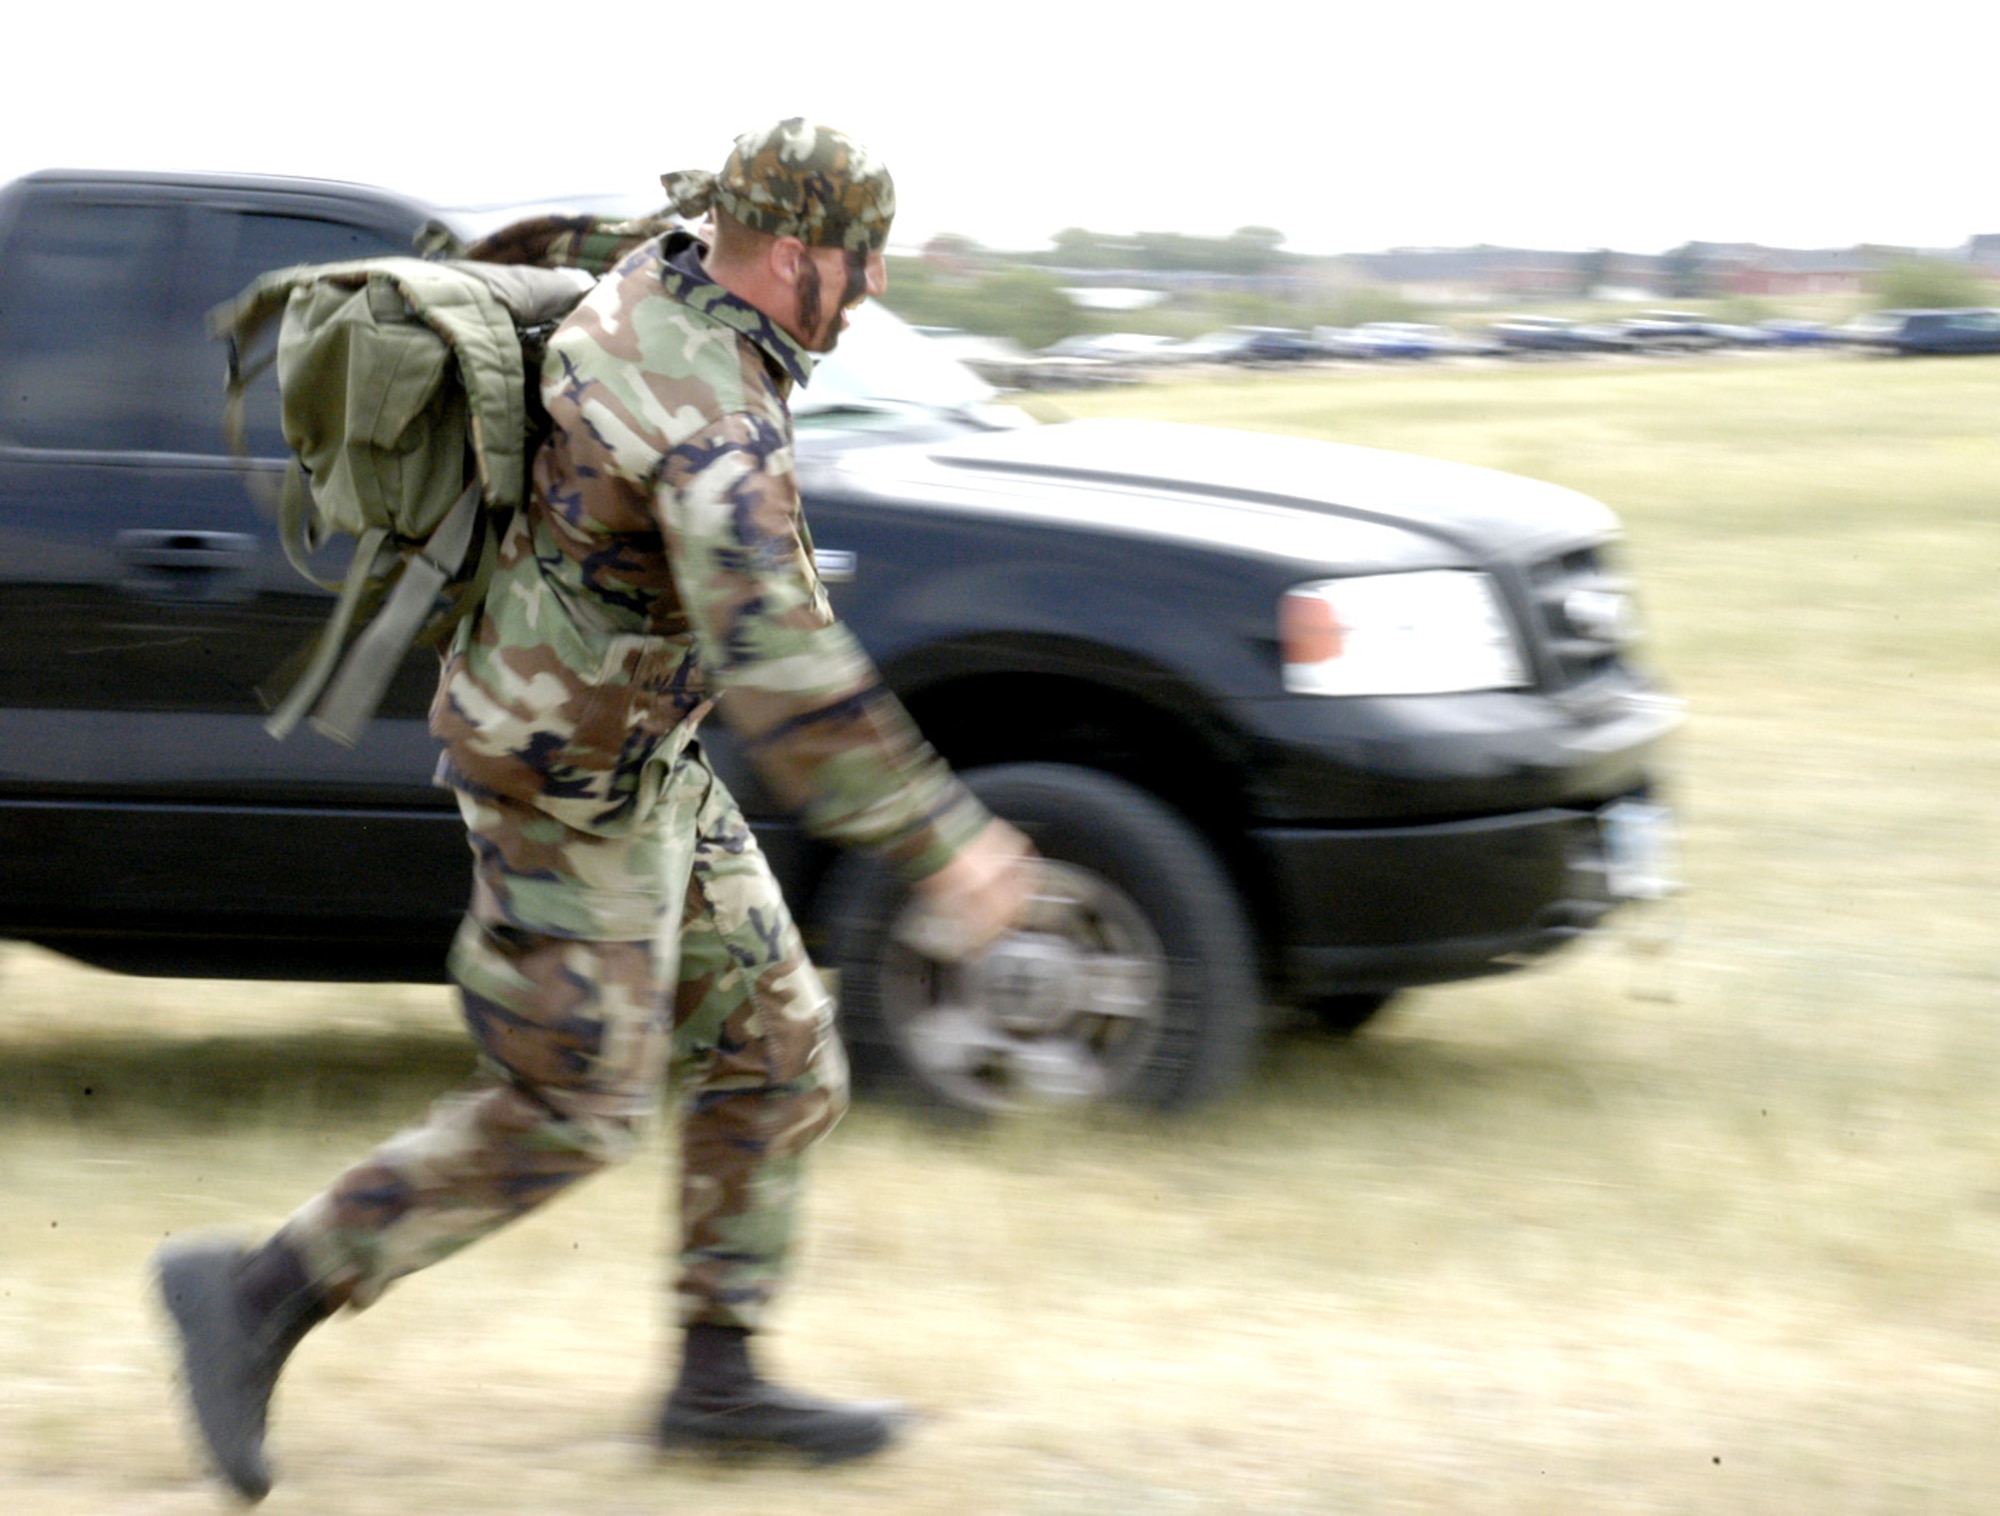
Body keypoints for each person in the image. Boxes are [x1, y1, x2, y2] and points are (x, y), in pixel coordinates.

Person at [153, 119, 1037, 1502]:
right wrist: (951, 844)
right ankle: (259, 1293)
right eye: (856, 269)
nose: (866, 295)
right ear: (794, 254)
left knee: (781, 1052)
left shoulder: (684, 261)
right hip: (561, 783)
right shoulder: (698, 407)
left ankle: (719, 1382)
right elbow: (788, 670)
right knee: (574, 1106)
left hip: (641, 757)